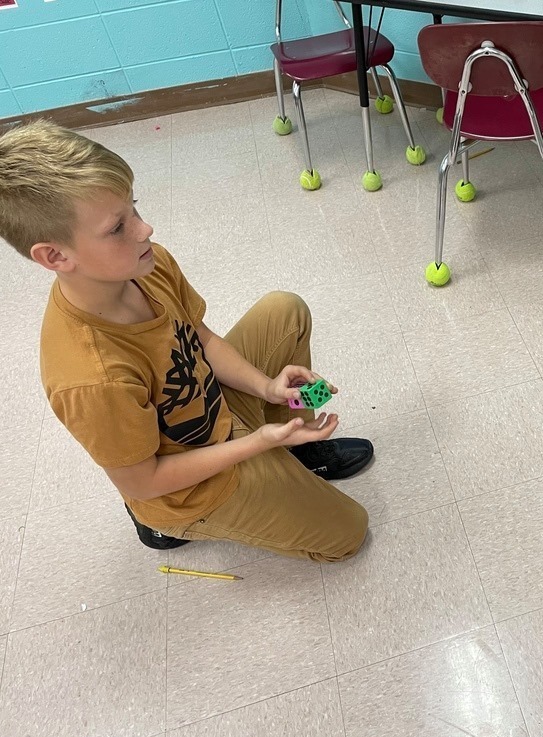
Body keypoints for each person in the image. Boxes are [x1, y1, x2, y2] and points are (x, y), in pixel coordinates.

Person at [0, 120, 370, 561]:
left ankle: (297, 449)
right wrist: (259, 442)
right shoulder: (91, 378)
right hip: (183, 484)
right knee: (349, 533)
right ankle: (163, 523)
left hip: (211, 408)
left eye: (134, 207)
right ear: (55, 256)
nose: (145, 229)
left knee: (284, 311)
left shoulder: (143, 265)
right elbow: (143, 480)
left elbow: (200, 337)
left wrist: (266, 388)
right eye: (117, 227)